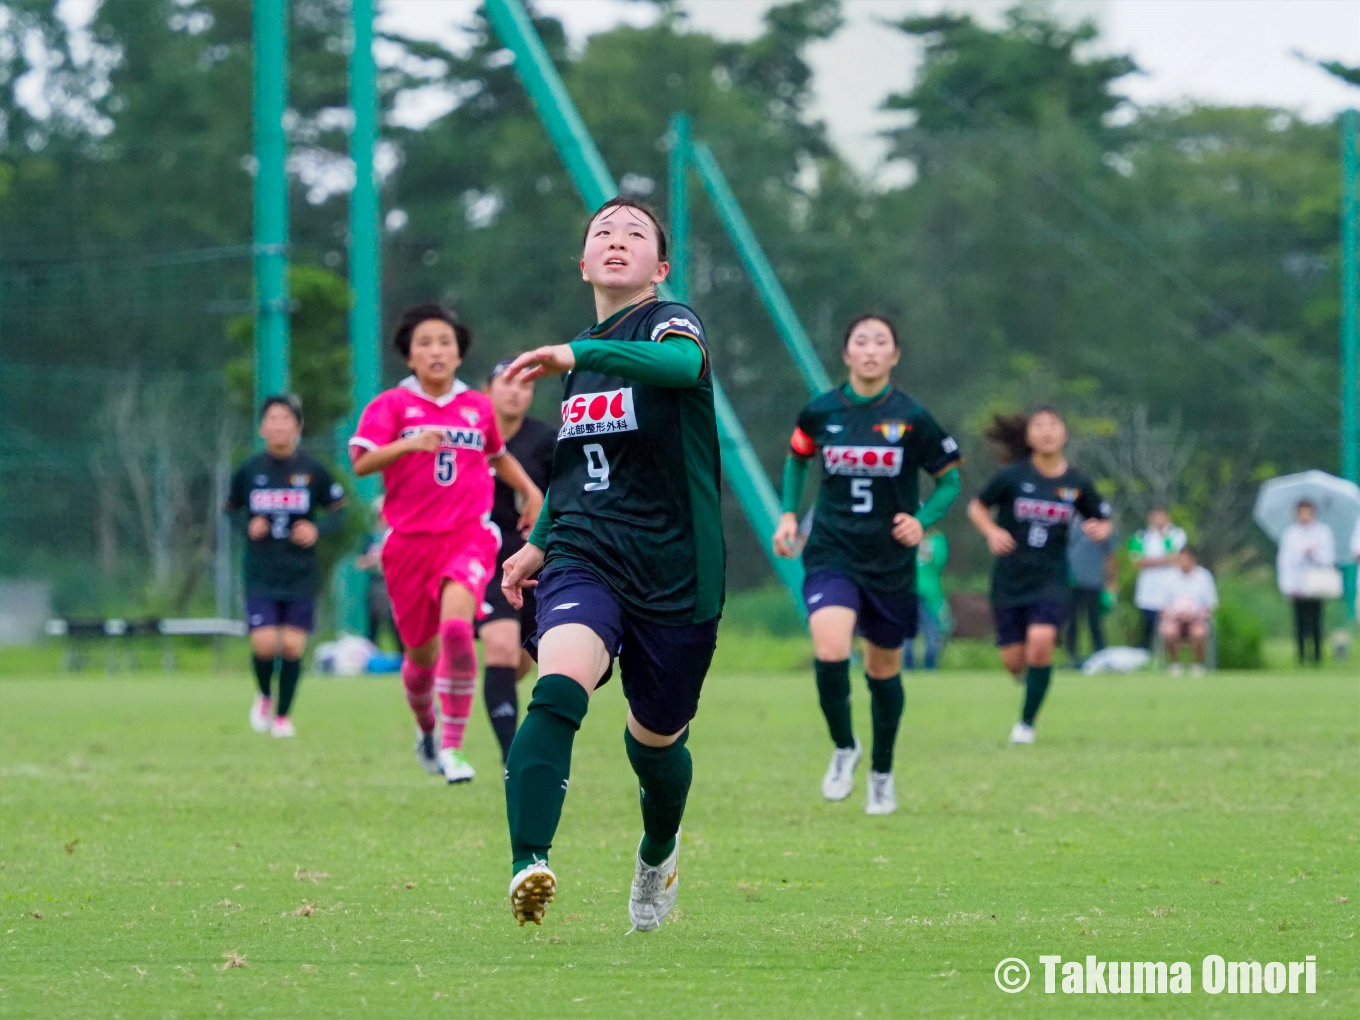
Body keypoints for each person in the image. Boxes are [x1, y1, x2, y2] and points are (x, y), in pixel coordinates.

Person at [497, 196, 723, 931]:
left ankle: (659, 851)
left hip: (678, 571)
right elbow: (574, 474)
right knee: (560, 683)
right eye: (602, 232)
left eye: (635, 234)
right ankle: (528, 862)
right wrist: (540, 541)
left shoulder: (667, 322)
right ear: (585, 262)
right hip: (586, 556)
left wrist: (581, 352)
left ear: (660, 267)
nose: (616, 240)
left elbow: (682, 365)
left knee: (655, 744)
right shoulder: (579, 362)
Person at [773, 314, 961, 814]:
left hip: (889, 562)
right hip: (833, 551)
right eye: (862, 341)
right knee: (831, 648)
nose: (872, 350)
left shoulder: (913, 417)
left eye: (882, 342)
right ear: (847, 353)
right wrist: (789, 514)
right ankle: (843, 747)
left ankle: (881, 771)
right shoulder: (820, 412)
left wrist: (922, 521)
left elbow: (949, 480)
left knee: (883, 670)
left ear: (895, 355)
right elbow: (798, 459)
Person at [349, 305, 543, 784]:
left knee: (458, 632)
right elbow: (361, 462)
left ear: (459, 354)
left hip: (468, 537)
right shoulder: (391, 406)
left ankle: (454, 750)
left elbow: (497, 456)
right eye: (425, 343)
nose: (436, 351)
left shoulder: (476, 407)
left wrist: (533, 492)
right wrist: (407, 446)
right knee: (419, 659)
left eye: (445, 343)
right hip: (409, 547)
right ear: (410, 357)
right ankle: (428, 729)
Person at [967, 408, 1112, 745]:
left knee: (1041, 645)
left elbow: (1102, 518)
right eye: (1039, 426)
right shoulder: (1013, 476)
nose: (1047, 432)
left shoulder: (1076, 482)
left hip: (1052, 578)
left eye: (1053, 425)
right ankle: (1030, 680)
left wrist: (1099, 528)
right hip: (1010, 578)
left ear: (1064, 434)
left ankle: (1026, 724)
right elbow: (977, 506)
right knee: (1014, 661)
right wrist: (991, 532)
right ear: (1029, 436)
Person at [225, 395, 346, 739]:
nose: (279, 425)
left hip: (301, 574)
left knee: (292, 647)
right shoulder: (249, 470)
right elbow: (230, 509)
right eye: (272, 419)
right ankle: (264, 694)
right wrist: (246, 527)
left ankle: (282, 716)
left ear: (297, 426)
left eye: (286, 419)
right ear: (263, 427)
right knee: (264, 645)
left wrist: (316, 528)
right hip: (261, 573)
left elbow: (340, 511)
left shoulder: (312, 470)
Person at [477, 358, 556, 765]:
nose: (516, 392)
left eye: (526, 386)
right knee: (501, 648)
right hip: (479, 556)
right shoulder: (468, 436)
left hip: (529, 561)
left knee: (521, 662)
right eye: (506, 382)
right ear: (486, 389)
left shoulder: (547, 441)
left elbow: (569, 494)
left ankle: (492, 693)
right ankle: (514, 760)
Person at [1276, 499, 1335, 665]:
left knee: (1316, 619)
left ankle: (1317, 656)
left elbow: (1329, 557)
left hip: (1316, 582)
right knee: (1299, 620)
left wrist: (1314, 553)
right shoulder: (1291, 534)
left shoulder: (1323, 532)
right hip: (1297, 583)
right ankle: (1301, 655)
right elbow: (1285, 561)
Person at [1129, 507, 1186, 649]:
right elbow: (1137, 561)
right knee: (1147, 623)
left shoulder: (1176, 534)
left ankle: (1169, 655)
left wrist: (1151, 561)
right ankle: (1145, 654)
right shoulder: (1141, 536)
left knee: (1169, 623)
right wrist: (1163, 561)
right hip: (1148, 586)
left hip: (1169, 585)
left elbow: (1175, 556)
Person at [1065, 515, 1116, 666]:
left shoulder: (1101, 526)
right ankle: (1072, 656)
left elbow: (1110, 556)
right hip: (1071, 581)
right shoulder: (1069, 524)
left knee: (1094, 621)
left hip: (1094, 581)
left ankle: (1100, 655)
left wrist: (1111, 583)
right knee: (1072, 621)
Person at [1158, 545, 1217, 675]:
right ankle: (1175, 664)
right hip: (1174, 618)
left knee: (1199, 633)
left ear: (1193, 560)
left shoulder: (1204, 576)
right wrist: (1175, 614)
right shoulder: (1169, 577)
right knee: (1169, 632)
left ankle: (1197, 665)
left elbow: (1210, 605)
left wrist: (1196, 615)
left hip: (1197, 618)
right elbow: (1163, 606)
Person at [356, 497, 402, 653]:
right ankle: (371, 654)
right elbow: (361, 561)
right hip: (377, 581)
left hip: (396, 582)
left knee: (395, 620)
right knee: (374, 619)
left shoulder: (398, 534)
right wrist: (375, 559)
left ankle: (402, 654)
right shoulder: (372, 537)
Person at [906, 528, 950, 671]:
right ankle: (908, 671)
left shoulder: (937, 539)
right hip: (907, 593)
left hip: (930, 597)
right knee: (906, 642)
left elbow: (938, 563)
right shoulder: (904, 536)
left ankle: (930, 671)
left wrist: (923, 545)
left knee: (932, 639)